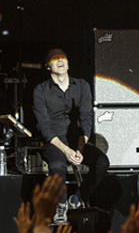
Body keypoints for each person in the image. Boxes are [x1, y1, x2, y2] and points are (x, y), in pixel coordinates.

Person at [32, 48, 95, 223]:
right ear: (48, 66)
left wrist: (80, 148)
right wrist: (66, 150)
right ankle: (60, 205)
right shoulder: (40, 90)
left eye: (63, 58)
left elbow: (86, 119)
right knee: (57, 164)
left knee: (102, 163)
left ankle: (78, 197)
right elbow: (43, 126)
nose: (60, 61)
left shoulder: (82, 86)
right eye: (55, 59)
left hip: (78, 139)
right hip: (55, 140)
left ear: (68, 64)